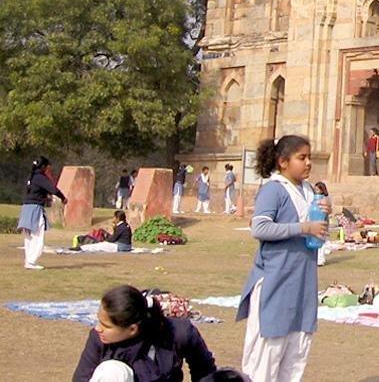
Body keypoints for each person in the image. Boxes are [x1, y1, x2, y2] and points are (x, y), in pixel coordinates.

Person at [237, 135, 330, 382]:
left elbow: (316, 232)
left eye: (309, 157)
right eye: (302, 158)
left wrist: (322, 220)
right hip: (276, 282)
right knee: (267, 356)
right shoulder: (274, 190)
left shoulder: (309, 191)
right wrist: (302, 227)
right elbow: (260, 229)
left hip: (302, 283)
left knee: (295, 353)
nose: (308, 163)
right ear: (283, 162)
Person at [72, 284, 217, 382]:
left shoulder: (179, 333)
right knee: (113, 370)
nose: (98, 328)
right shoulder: (98, 338)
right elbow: (82, 379)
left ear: (132, 329)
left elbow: (205, 372)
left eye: (106, 326)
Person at [17, 156, 67, 270]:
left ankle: (29, 260)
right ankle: (32, 261)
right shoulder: (40, 177)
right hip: (35, 208)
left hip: (27, 207)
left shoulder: (32, 176)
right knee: (38, 235)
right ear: (44, 166)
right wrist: (63, 198)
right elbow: (53, 189)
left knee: (29, 236)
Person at [313, 181, 332, 267]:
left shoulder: (325, 199)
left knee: (321, 241)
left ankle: (321, 259)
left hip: (322, 220)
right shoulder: (315, 198)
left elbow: (327, 211)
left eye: (317, 189)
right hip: (316, 221)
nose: (315, 190)